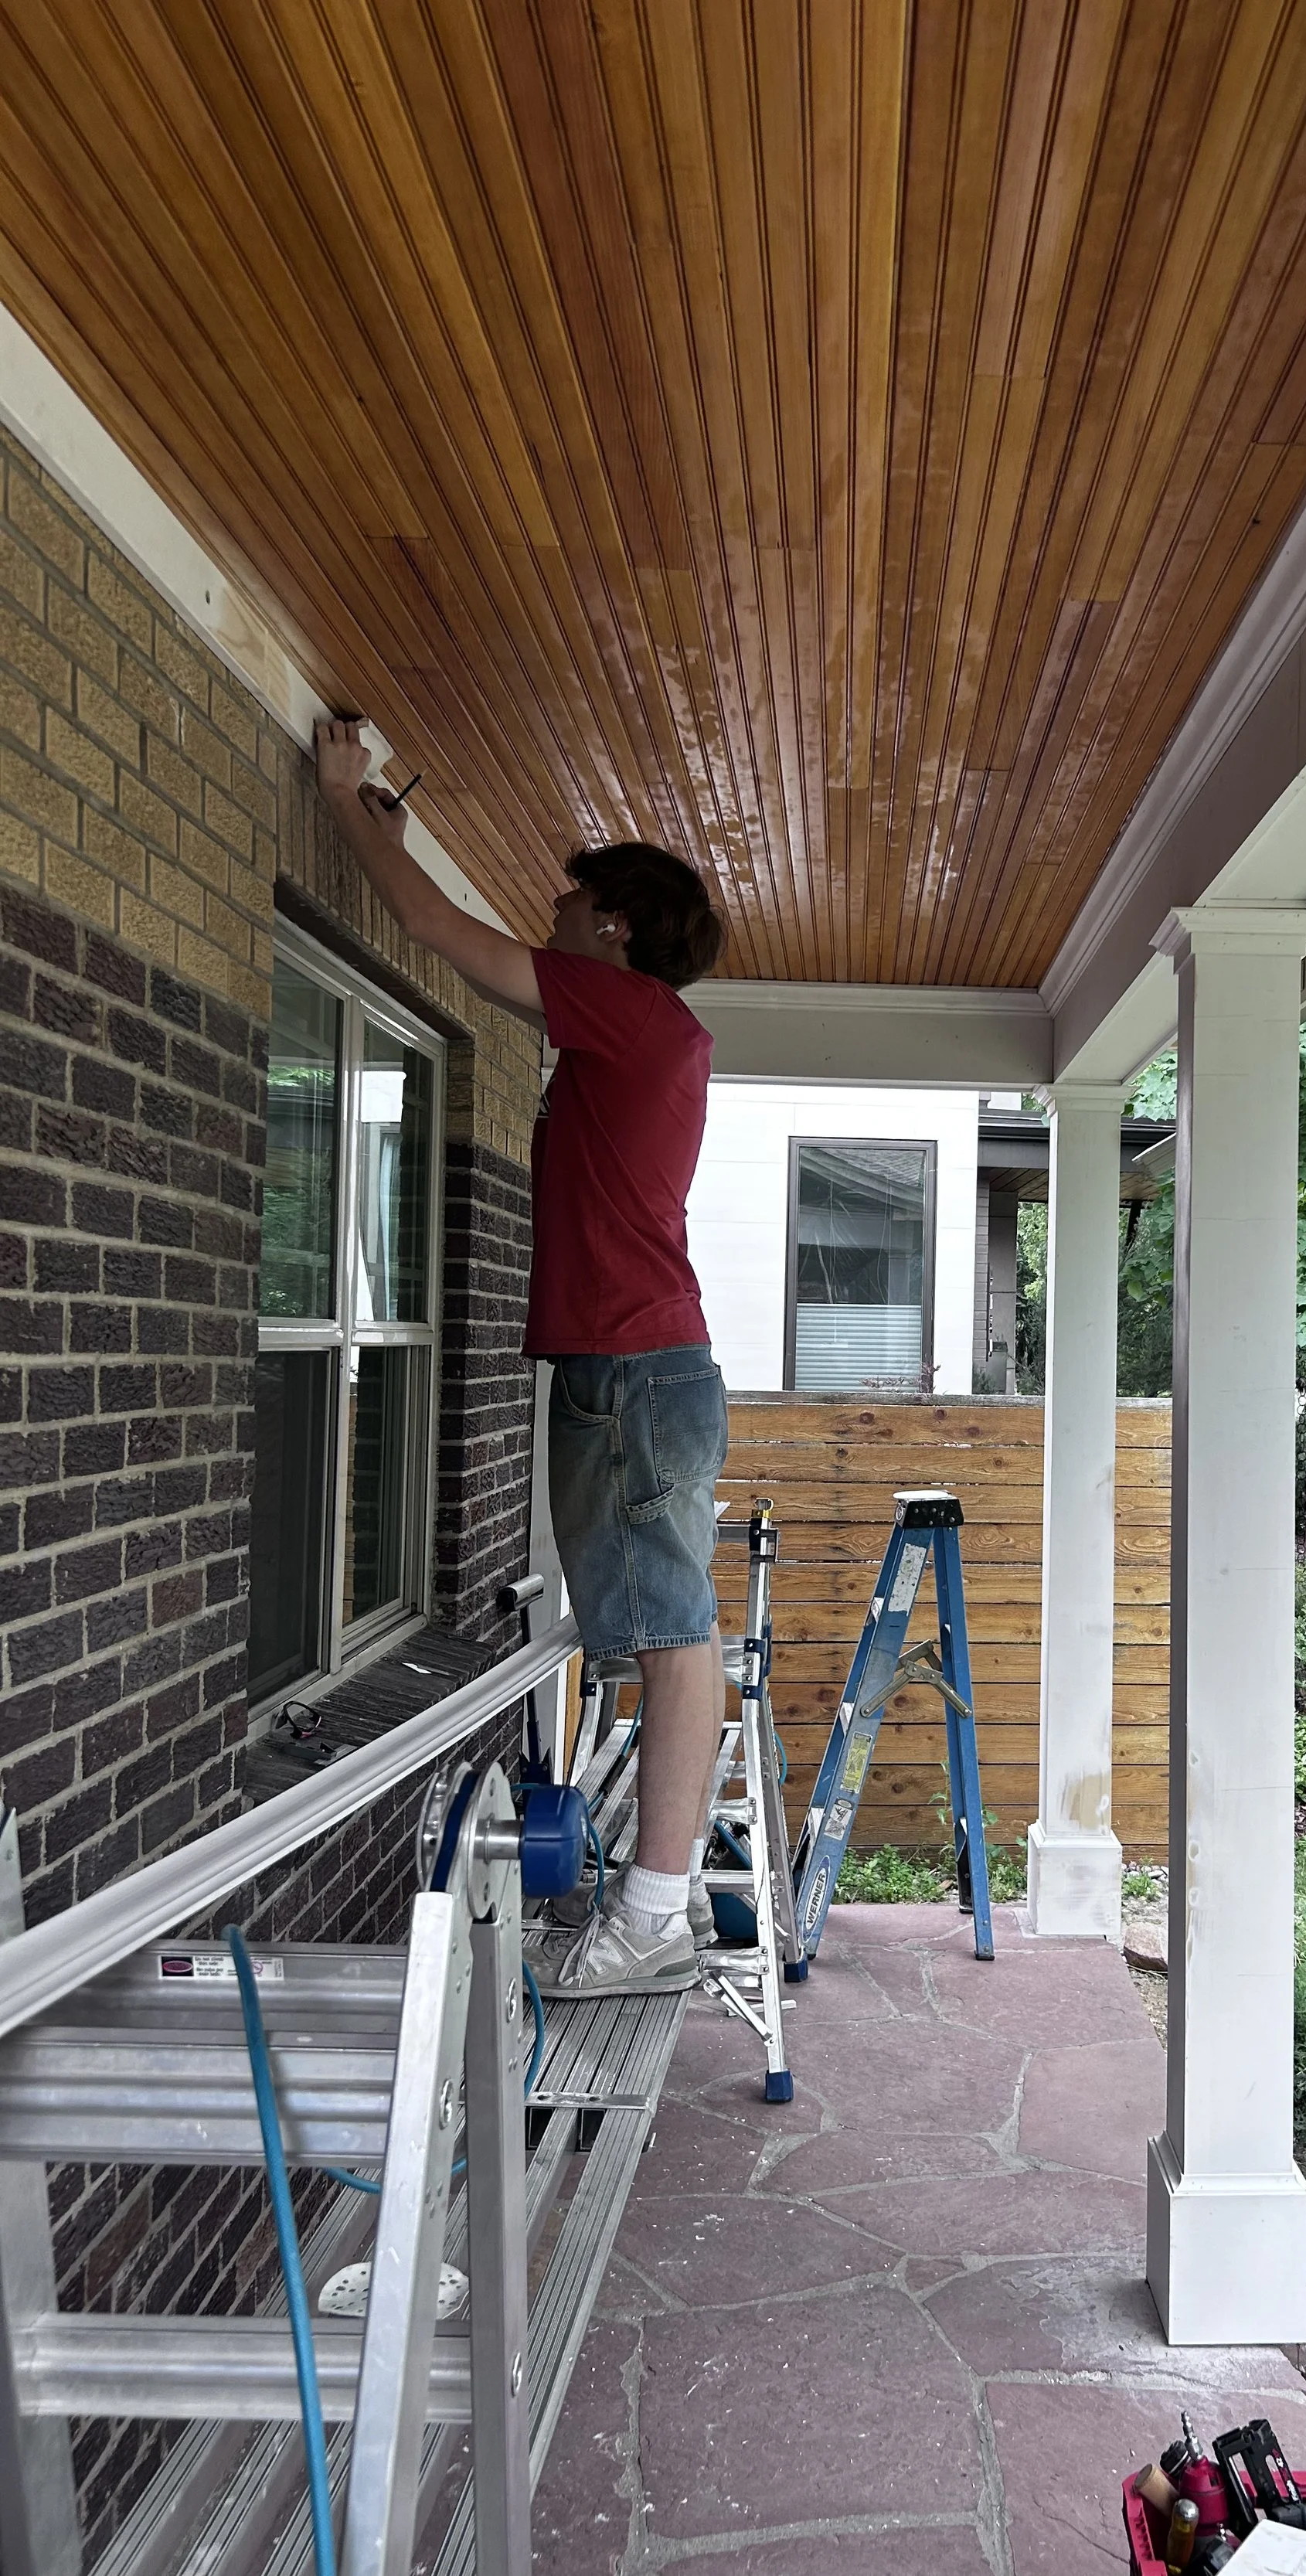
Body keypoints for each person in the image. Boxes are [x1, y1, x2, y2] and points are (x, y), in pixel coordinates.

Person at [315, 719, 729, 1997]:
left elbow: (446, 936)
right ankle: (659, 1901)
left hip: (638, 1369)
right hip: (630, 1368)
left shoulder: (632, 1011)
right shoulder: (631, 1030)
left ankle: (654, 1916)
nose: (549, 909)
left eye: (569, 894)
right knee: (661, 1632)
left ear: (613, 924)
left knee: (671, 1635)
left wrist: (344, 808)